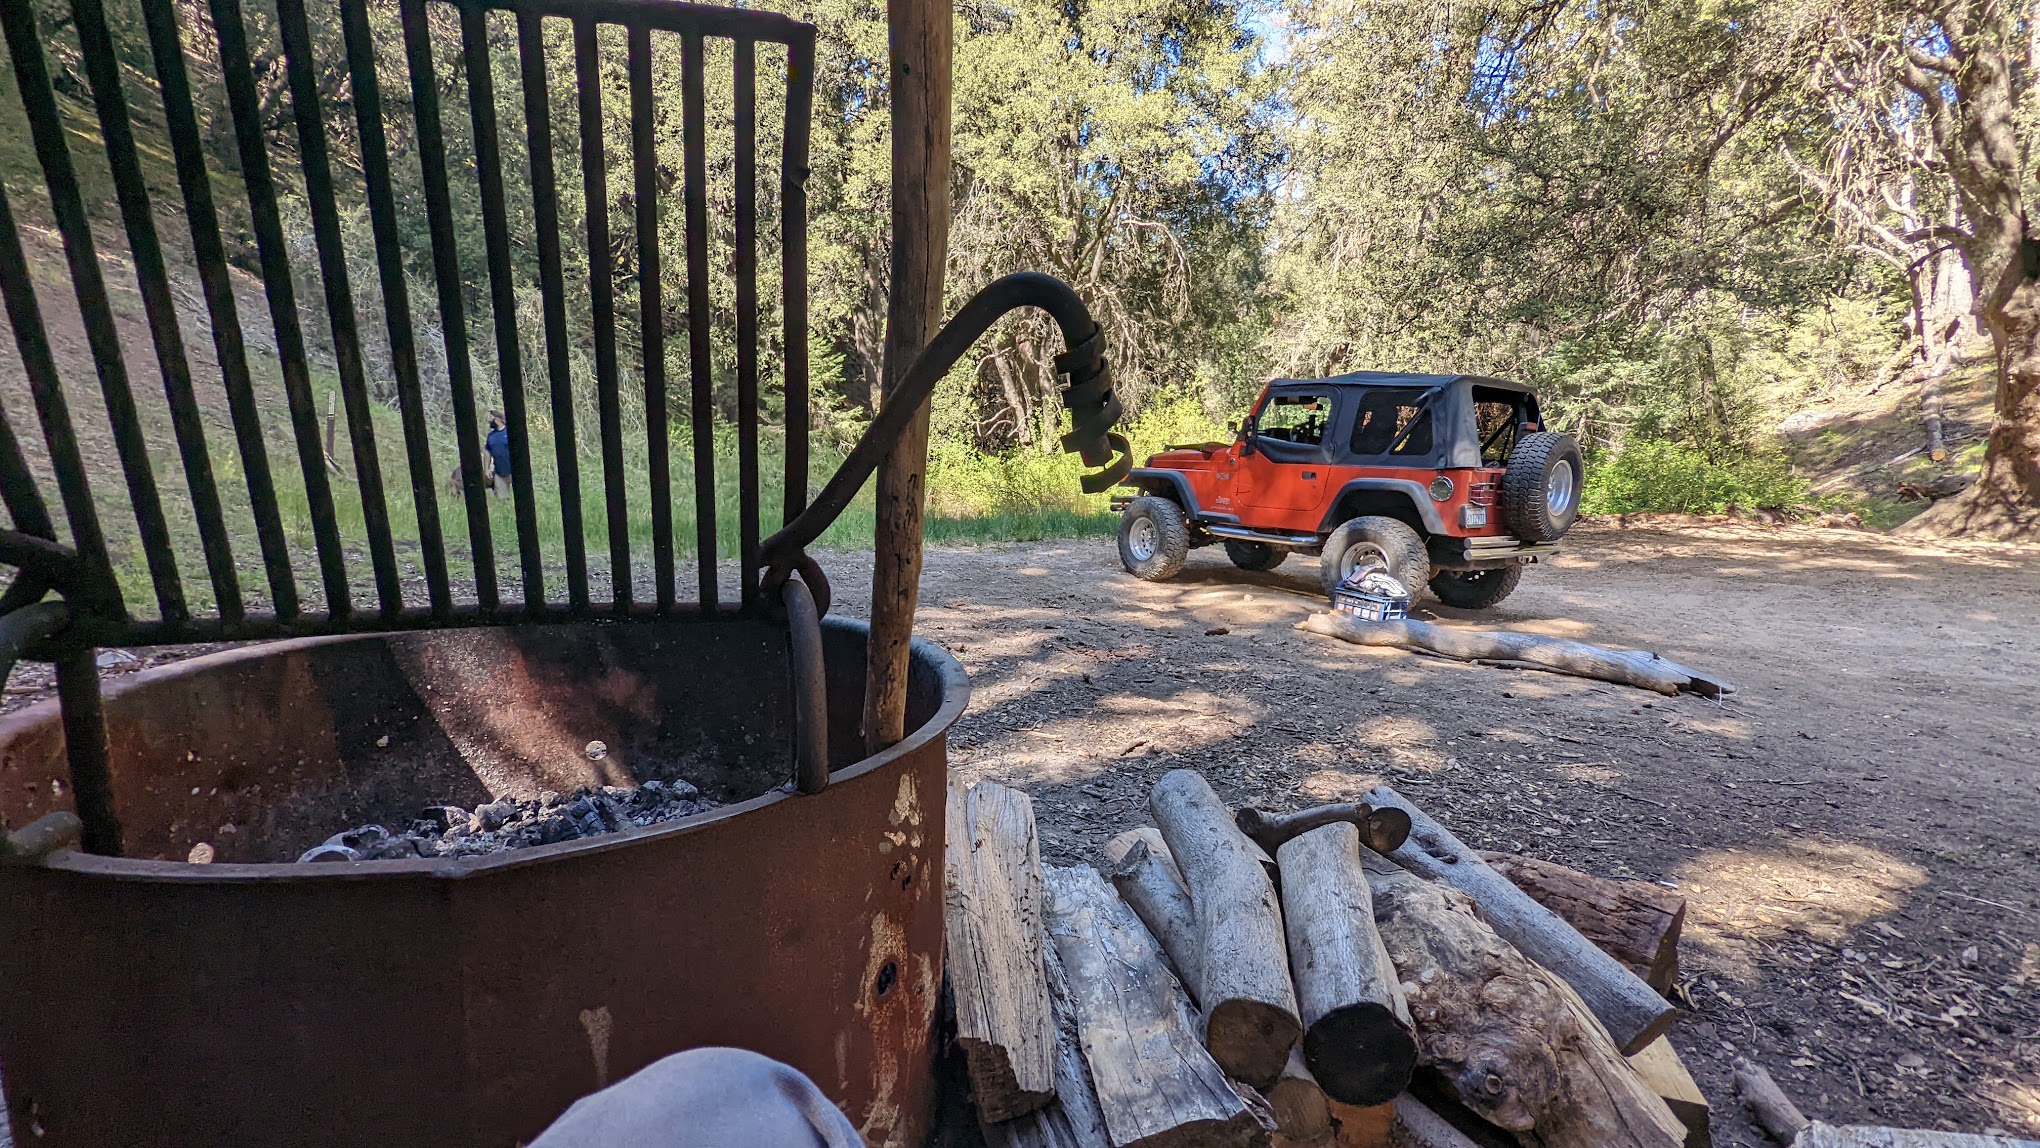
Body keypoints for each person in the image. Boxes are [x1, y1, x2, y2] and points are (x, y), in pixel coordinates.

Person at [485, 410, 512, 497]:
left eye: (490, 418)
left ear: (497, 420)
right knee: (502, 501)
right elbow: (487, 452)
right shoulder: (491, 436)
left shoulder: (510, 432)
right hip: (499, 473)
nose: (489, 421)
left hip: (513, 471)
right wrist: (486, 469)